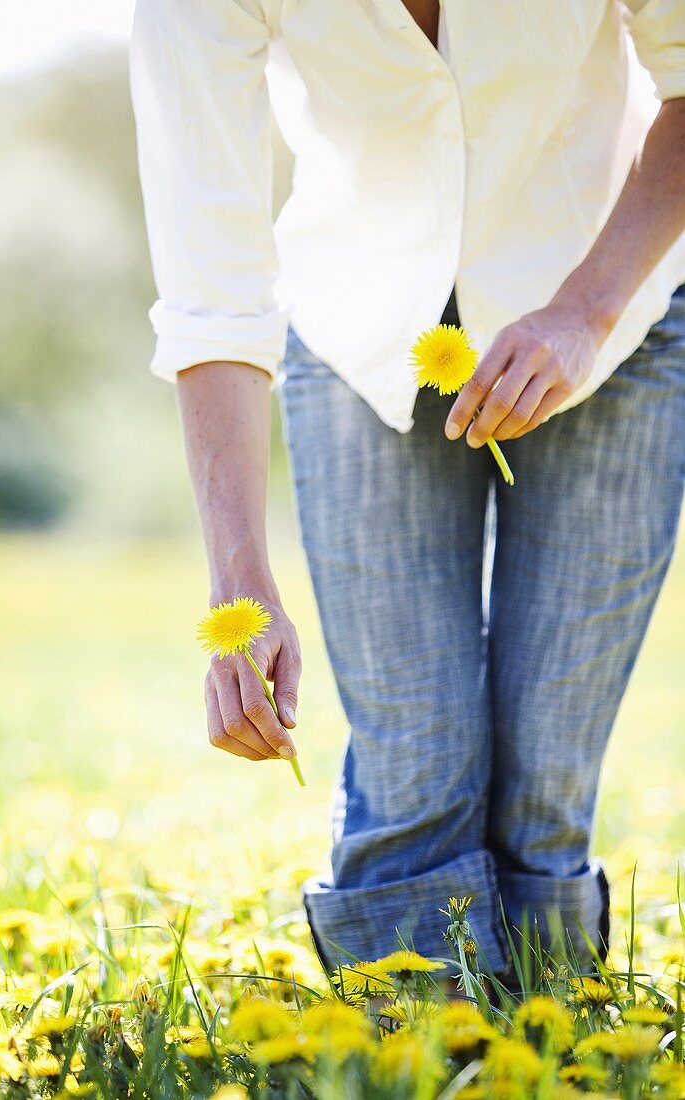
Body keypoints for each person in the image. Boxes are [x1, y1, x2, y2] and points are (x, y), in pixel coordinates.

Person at [129, 0, 685, 980]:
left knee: (543, 782)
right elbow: (210, 277)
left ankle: (548, 1045)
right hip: (359, 329)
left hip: (610, 310)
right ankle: (417, 1054)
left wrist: (580, 311)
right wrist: (238, 583)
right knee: (411, 773)